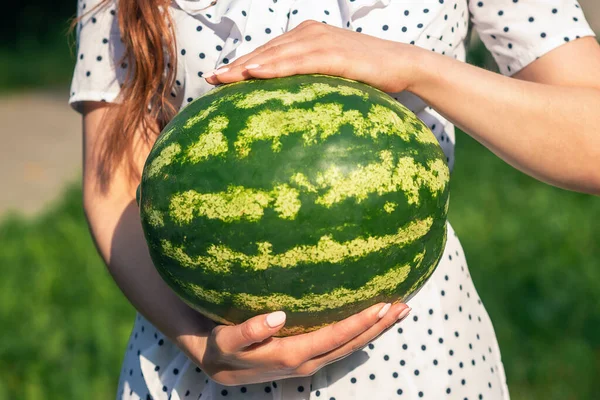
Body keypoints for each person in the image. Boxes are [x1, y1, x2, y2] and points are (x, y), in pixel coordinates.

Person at [70, 0, 600, 399]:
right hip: (192, 366)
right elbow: (115, 182)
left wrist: (415, 68)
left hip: (418, 366)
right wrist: (200, 345)